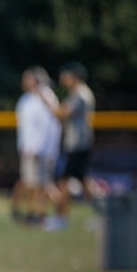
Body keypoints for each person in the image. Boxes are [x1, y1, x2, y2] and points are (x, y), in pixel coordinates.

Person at [43, 62, 95, 230]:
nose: (63, 78)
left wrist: (47, 102)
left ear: (74, 76)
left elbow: (63, 113)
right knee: (84, 182)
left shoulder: (80, 94)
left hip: (78, 144)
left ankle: (61, 218)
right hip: (79, 143)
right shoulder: (78, 93)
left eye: (66, 75)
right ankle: (105, 216)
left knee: (64, 181)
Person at [12, 66, 61, 226]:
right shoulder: (26, 99)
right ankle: (35, 213)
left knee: (42, 184)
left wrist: (43, 148)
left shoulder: (46, 97)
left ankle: (53, 214)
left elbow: (51, 126)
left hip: (42, 150)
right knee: (32, 183)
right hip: (30, 149)